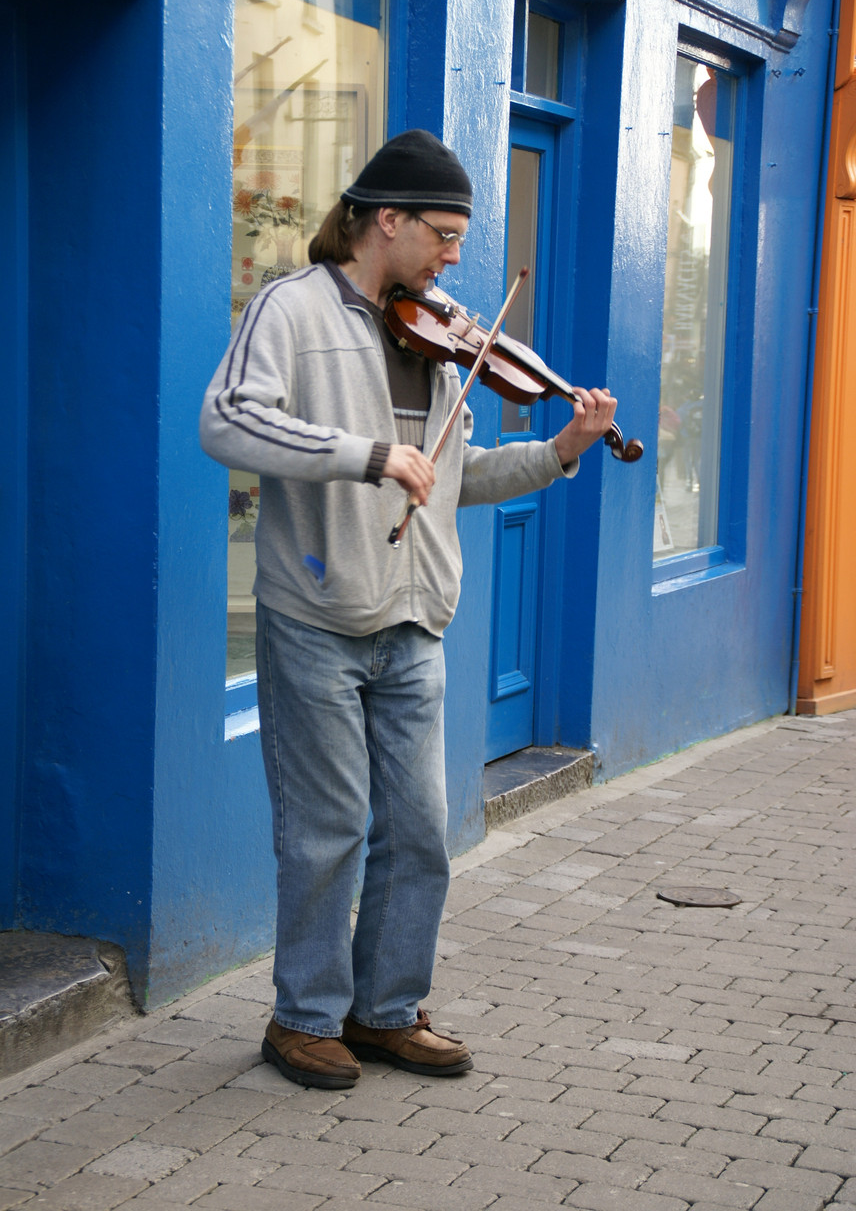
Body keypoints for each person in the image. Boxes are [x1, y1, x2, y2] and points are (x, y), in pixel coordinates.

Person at [199, 129, 617, 1090]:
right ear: (386, 219)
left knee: (421, 830)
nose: (456, 257)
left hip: (416, 621)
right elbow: (226, 420)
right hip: (316, 615)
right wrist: (366, 455)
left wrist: (561, 451)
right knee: (327, 831)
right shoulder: (291, 309)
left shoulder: (433, 337)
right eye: (445, 234)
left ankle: (384, 1011)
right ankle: (303, 1019)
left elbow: (453, 476)